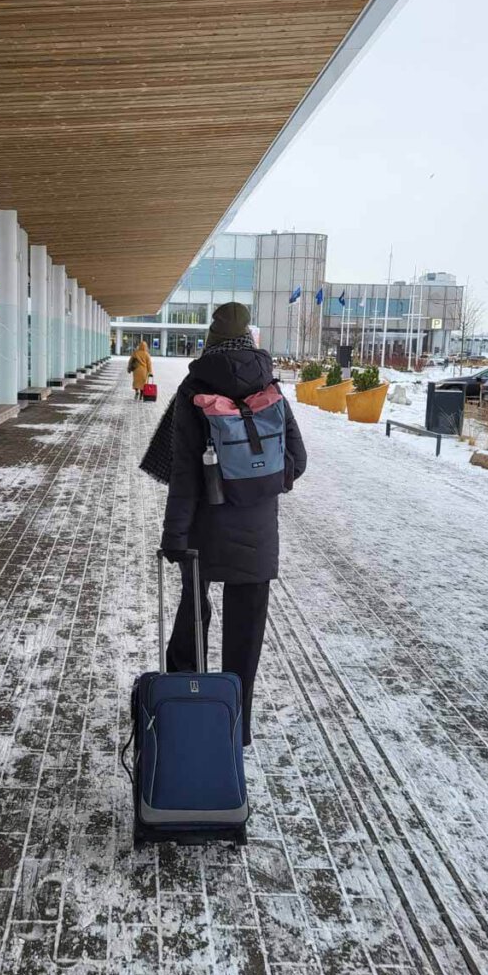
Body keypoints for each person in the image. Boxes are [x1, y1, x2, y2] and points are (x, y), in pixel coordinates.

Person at [159, 302, 307, 746]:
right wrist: (258, 483)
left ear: (212, 337)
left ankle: (184, 705)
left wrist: (174, 535)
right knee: (246, 630)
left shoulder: (193, 388)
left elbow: (184, 473)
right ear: (249, 336)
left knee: (194, 611)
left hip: (204, 528)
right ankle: (234, 725)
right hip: (257, 533)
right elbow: (296, 461)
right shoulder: (269, 385)